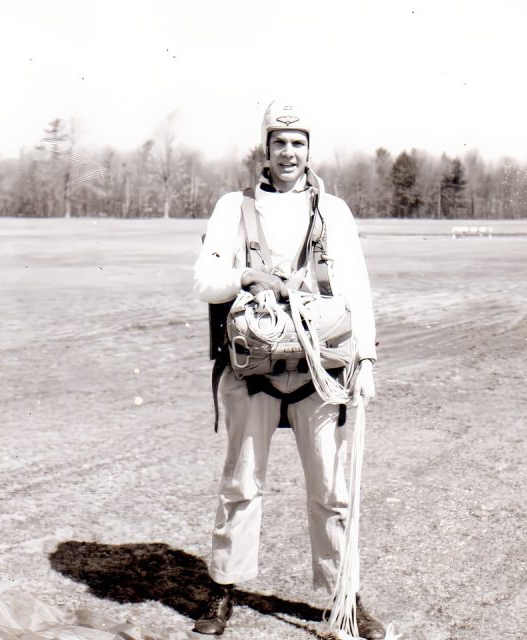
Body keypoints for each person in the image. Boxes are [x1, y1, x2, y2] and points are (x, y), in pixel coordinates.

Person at [192, 100, 385, 639]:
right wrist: (244, 274)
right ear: (265, 149)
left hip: (319, 375)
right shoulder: (234, 208)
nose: (289, 153)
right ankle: (223, 588)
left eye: (298, 143)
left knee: (332, 492)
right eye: (279, 142)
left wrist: (365, 360)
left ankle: (343, 599)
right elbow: (205, 282)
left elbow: (357, 292)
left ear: (309, 149)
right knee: (241, 486)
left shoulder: (334, 212)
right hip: (250, 372)